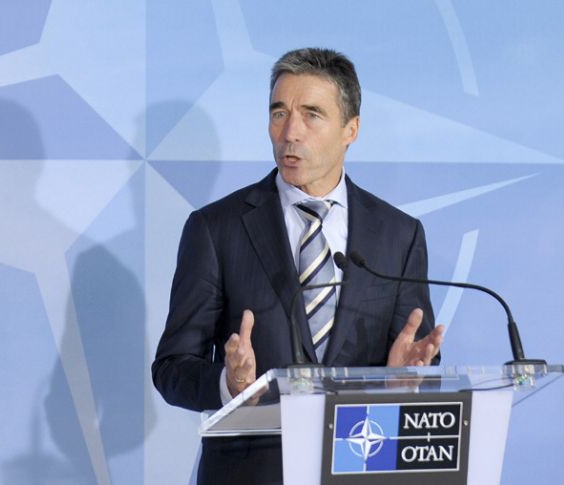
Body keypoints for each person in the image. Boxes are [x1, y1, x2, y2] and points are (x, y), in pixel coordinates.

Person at [152, 47, 445, 485]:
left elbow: (420, 363)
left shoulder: (398, 236)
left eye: (312, 115)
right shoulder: (216, 229)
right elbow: (172, 368)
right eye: (279, 113)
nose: (290, 132)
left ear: (351, 129)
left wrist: (402, 379)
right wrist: (231, 384)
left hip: (362, 467)